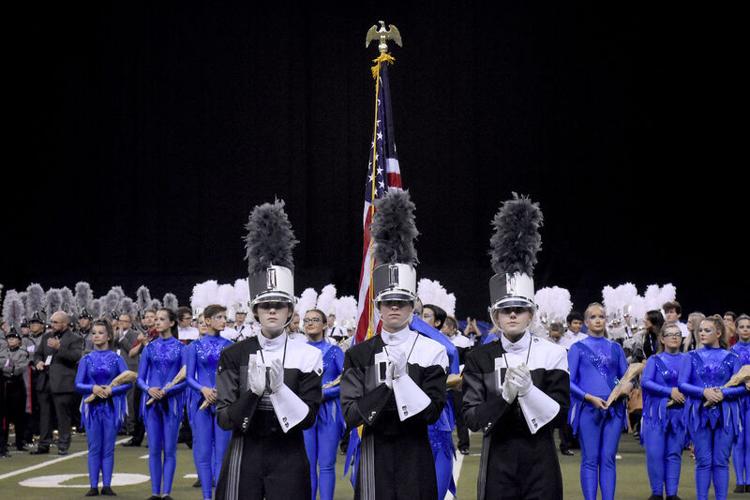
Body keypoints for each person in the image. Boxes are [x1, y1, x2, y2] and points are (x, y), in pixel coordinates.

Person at [341, 190, 448, 500]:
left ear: (413, 305)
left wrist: (403, 383)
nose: (394, 308)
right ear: (378, 305)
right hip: (374, 454)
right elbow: (350, 415)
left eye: (402, 302)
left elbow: (431, 413)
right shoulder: (359, 354)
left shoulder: (433, 351)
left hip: (416, 453)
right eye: (388, 302)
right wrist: (385, 389)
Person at [215, 199, 323, 499]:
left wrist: (279, 391)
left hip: (289, 455)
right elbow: (224, 419)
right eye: (265, 306)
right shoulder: (233, 355)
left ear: (290, 311)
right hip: (244, 452)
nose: (272, 311)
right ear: (255, 310)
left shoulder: (308, 355)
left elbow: (310, 418)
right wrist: (252, 393)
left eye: (279, 305)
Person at [679, 315, 745, 500]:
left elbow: (741, 387)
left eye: (707, 330)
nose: (702, 333)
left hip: (726, 413)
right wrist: (704, 392)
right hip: (700, 413)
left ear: (718, 333)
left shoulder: (732, 357)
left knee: (721, 461)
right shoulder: (690, 356)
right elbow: (682, 384)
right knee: (703, 461)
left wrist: (724, 393)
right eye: (700, 330)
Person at [568, 303, 630, 500]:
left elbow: (623, 378)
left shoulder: (615, 348)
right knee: (590, 459)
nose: (597, 320)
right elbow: (568, 381)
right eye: (593, 317)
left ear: (606, 320)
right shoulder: (577, 348)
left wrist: (625, 388)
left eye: (601, 316)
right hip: (588, 409)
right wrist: (588, 397)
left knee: (608, 459)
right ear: (586, 322)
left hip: (614, 409)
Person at [75, 318, 131, 496]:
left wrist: (111, 391)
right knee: (94, 447)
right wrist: (93, 388)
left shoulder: (116, 358)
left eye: (100, 333)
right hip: (91, 409)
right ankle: (93, 486)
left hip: (111, 408)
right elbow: (78, 384)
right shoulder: (86, 358)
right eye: (93, 333)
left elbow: (128, 381)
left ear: (108, 336)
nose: (96, 336)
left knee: (108, 447)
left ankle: (106, 485)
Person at [184, 304, 233, 500]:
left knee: (222, 454)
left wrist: (222, 391)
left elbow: (233, 377)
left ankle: (220, 496)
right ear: (207, 320)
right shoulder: (194, 347)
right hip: (200, 403)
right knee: (203, 453)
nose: (224, 321)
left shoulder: (230, 345)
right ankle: (206, 496)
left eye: (224, 317)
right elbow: (188, 377)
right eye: (219, 317)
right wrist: (203, 389)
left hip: (222, 403)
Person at [137, 308, 186, 500]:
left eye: (162, 319)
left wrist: (167, 391)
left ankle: (167, 493)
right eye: (155, 319)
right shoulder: (149, 348)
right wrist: (149, 389)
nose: (157, 322)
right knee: (154, 449)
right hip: (151, 404)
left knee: (170, 450)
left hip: (171, 403)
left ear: (172, 323)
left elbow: (184, 379)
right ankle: (155, 493)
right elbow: (140, 378)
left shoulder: (182, 348)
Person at [641, 321, 687, 500]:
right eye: (670, 334)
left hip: (679, 413)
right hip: (656, 413)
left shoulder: (687, 359)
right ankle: (657, 493)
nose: (674, 337)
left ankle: (673, 494)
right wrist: (670, 392)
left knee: (674, 453)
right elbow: (645, 382)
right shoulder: (654, 360)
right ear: (662, 339)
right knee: (655, 453)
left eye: (677, 334)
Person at [302, 308, 345, 500]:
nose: (310, 323)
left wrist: (322, 394)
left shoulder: (334, 351)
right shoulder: (298, 351)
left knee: (326, 464)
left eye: (315, 320)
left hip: (329, 411)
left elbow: (346, 382)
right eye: (306, 320)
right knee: (308, 464)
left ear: (325, 324)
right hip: (305, 411)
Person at [31, 310, 84, 455]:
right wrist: (38, 362)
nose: (52, 324)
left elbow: (75, 356)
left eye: (55, 322)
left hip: (62, 383)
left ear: (65, 323)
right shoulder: (46, 336)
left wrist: (59, 348)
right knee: (44, 415)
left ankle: (63, 445)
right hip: (45, 381)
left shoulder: (75, 338)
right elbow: (38, 354)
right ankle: (43, 445)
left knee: (63, 416)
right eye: (51, 321)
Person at [0, 329, 30, 456]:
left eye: (14, 338)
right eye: (9, 338)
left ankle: (20, 442)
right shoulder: (3, 352)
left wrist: (9, 367)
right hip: (5, 385)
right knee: (4, 415)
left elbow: (20, 368)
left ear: (19, 340)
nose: (11, 340)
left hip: (17, 385)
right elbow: (1, 365)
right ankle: (4, 443)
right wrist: (10, 367)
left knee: (19, 416)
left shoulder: (23, 352)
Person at [731, 314, 750, 492]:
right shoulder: (731, 352)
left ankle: (749, 480)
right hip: (737, 399)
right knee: (739, 440)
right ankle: (739, 480)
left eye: (748, 326)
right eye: (742, 326)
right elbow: (729, 377)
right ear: (736, 330)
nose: (745, 329)